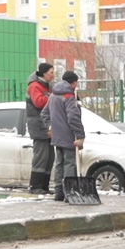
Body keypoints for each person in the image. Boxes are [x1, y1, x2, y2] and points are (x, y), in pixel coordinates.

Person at [46, 70, 85, 200]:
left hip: (57, 136)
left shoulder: (53, 95)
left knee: (59, 164)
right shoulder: (68, 97)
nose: (76, 86)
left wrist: (51, 126)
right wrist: (80, 136)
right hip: (68, 136)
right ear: (72, 82)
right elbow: (73, 117)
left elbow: (44, 113)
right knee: (69, 164)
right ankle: (70, 193)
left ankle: (59, 192)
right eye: (76, 83)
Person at [23, 62, 55, 193]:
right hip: (39, 126)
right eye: (51, 73)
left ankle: (44, 186)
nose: (53, 75)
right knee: (41, 157)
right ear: (44, 73)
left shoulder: (47, 86)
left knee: (49, 157)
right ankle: (35, 186)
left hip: (46, 125)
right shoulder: (35, 86)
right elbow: (39, 102)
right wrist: (52, 98)